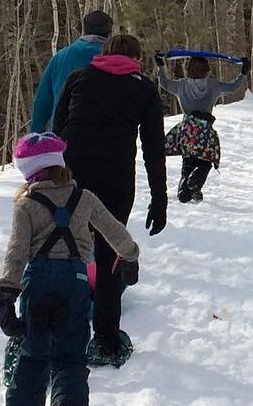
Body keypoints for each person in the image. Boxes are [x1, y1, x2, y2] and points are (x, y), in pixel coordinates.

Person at [0, 132, 139, 406]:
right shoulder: (84, 198)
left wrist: (5, 294)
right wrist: (130, 256)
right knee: (69, 357)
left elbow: (16, 253)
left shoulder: (26, 205)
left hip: (38, 285)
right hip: (74, 284)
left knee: (32, 353)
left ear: (29, 173)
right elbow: (114, 230)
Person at [52, 33, 167, 364]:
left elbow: (57, 134)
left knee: (64, 251)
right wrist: (159, 200)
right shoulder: (143, 88)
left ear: (104, 54)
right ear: (136, 58)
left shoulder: (79, 78)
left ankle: (58, 329)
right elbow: (153, 150)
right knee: (107, 258)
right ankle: (104, 340)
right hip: (116, 181)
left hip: (70, 178)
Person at [158, 52, 249, 196]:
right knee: (206, 159)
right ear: (207, 70)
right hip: (204, 130)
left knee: (188, 159)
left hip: (187, 129)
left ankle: (185, 187)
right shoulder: (213, 85)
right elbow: (233, 87)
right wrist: (243, 72)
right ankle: (196, 183)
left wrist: (161, 65)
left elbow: (164, 83)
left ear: (188, 69)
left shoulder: (181, 85)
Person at [29, 9, 111, 132]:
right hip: (108, 136)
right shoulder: (117, 61)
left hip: (63, 134)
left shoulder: (61, 58)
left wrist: (35, 134)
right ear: (109, 32)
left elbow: (42, 101)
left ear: (84, 29)